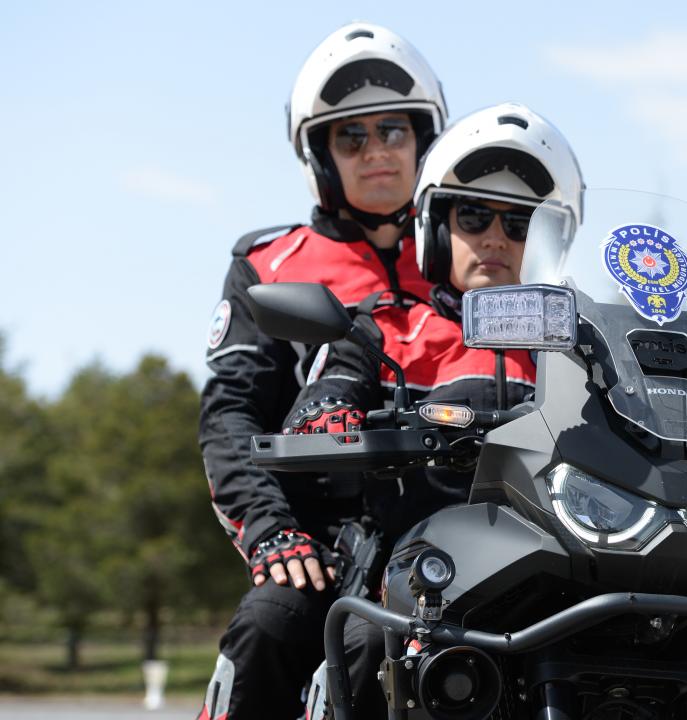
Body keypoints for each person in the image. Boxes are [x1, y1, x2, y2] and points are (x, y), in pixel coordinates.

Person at [282, 103, 584, 718]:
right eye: (473, 216)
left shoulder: (588, 347)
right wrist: (330, 413)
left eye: (521, 223)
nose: (495, 238)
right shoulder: (383, 328)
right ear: (436, 228)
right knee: (368, 645)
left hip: (571, 563)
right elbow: (331, 388)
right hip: (422, 568)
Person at [197, 22, 446, 720]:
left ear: (425, 139)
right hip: (322, 535)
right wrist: (271, 531)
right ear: (320, 155)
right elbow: (230, 414)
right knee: (268, 628)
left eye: (393, 130)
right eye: (351, 137)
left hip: (452, 524)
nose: (377, 151)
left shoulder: (473, 257)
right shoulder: (269, 264)